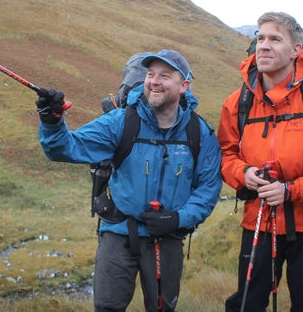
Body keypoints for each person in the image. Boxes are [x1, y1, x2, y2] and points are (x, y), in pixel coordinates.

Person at [36, 49, 222, 312]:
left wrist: (178, 219)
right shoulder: (120, 122)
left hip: (168, 237)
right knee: (107, 307)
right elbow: (65, 148)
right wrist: (52, 121)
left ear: (184, 86)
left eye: (164, 76)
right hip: (118, 232)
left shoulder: (199, 132)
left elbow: (209, 187)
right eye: (150, 74)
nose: (154, 81)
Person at [219, 12, 303, 312]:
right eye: (260, 38)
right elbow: (226, 154)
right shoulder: (238, 103)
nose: (264, 46)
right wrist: (244, 173)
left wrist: (290, 191)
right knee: (247, 303)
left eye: (275, 39)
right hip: (258, 222)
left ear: (296, 50)